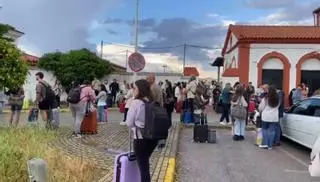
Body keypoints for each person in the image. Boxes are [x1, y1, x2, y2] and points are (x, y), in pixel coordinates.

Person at [126, 79, 158, 182]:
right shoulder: (151, 101)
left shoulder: (136, 103)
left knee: (144, 169)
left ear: (140, 89)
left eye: (134, 88)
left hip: (140, 139)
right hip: (153, 138)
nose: (133, 90)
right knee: (144, 165)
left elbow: (129, 123)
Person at [258, 85, 280, 150]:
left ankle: (265, 144)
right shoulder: (278, 99)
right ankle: (270, 145)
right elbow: (278, 107)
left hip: (265, 117)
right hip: (274, 117)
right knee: (272, 131)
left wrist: (260, 111)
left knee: (264, 130)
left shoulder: (265, 99)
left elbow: (261, 107)